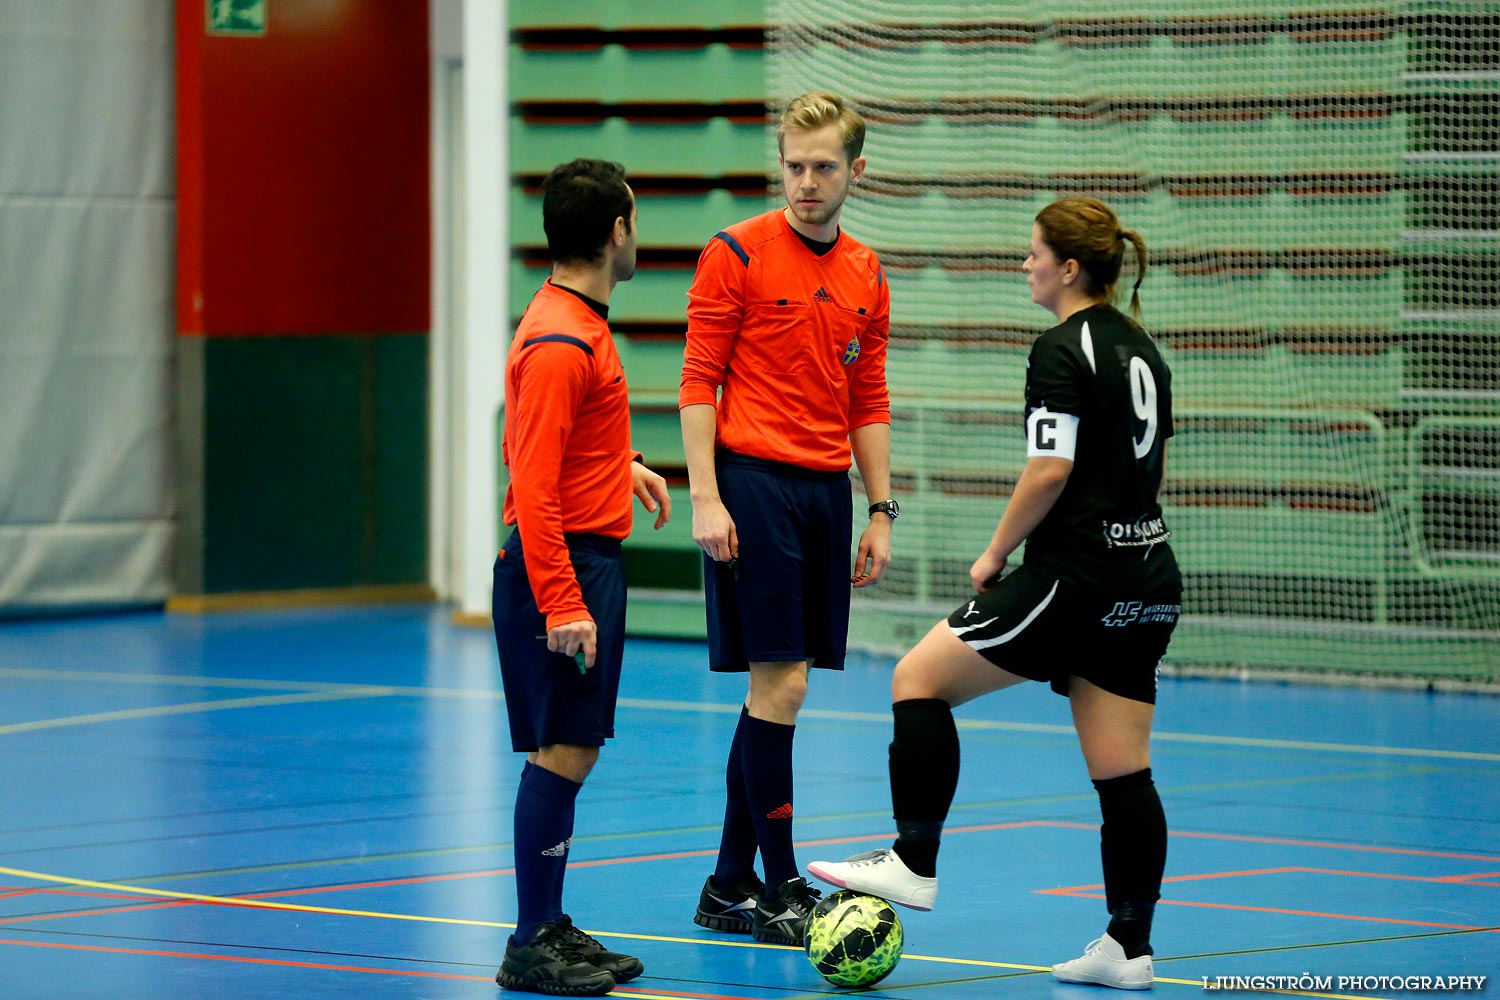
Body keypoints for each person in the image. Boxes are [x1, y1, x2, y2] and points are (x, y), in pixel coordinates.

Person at [806, 197, 1181, 990]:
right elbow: (1147, 468)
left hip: (1074, 576)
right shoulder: (1141, 348)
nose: (1025, 265)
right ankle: (1129, 947)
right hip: (1146, 577)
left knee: (919, 679)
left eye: (1034, 253)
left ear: (1069, 268)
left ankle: (913, 859)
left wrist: (994, 554)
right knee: (1123, 772)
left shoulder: (1060, 348)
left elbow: (1051, 468)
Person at [679, 90, 896, 947]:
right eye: (793, 165)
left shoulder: (867, 273)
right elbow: (698, 381)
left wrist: (879, 509)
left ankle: (727, 886)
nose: (805, 182)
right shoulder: (735, 254)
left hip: (824, 494)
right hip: (753, 483)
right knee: (784, 684)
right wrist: (705, 493)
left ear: (856, 170)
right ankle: (779, 888)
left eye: (823, 167)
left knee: (776, 694)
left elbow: (867, 396)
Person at [492, 158, 672, 996]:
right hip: (559, 567)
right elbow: (532, 482)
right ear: (615, 232)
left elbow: (564, 447)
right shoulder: (563, 339)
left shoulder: (579, 321)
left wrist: (619, 463)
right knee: (561, 751)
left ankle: (549, 925)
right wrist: (563, 599)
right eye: (634, 219)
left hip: (583, 552)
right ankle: (531, 941)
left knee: (575, 750)